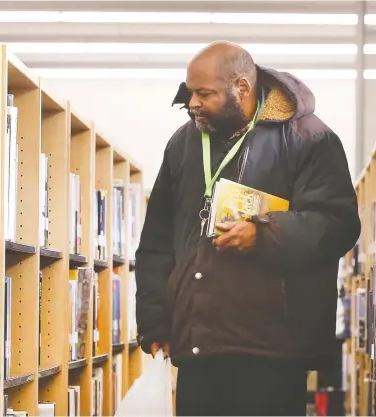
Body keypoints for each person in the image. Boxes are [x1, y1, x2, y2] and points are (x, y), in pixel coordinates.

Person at [134, 41, 361, 416]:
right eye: (190, 93)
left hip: (271, 348)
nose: (192, 103)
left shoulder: (309, 139)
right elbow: (156, 241)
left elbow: (337, 224)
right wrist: (155, 323)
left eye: (204, 94)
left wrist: (264, 234)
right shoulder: (183, 144)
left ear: (241, 88)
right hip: (196, 345)